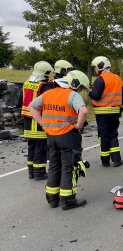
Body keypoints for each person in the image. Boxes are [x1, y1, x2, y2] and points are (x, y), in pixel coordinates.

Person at [28, 70, 89, 210]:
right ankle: (68, 200)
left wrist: (43, 123)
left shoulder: (49, 93)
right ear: (75, 84)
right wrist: (78, 126)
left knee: (54, 166)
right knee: (69, 167)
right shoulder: (72, 95)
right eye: (80, 88)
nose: (80, 91)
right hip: (68, 136)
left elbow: (32, 107)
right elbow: (84, 111)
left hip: (51, 137)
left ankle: (52, 199)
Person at [89, 56, 123, 167]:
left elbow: (96, 96)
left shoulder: (100, 79)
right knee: (113, 135)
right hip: (115, 112)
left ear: (100, 66)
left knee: (103, 136)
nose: (95, 70)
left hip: (102, 113)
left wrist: (90, 91)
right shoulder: (117, 78)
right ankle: (117, 160)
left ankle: (105, 161)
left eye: (95, 67)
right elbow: (122, 97)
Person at [21, 61, 53, 180]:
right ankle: (39, 173)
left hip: (27, 121)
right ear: (45, 73)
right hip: (38, 121)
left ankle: (31, 172)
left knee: (31, 147)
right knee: (41, 147)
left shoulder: (26, 83)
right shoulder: (43, 86)